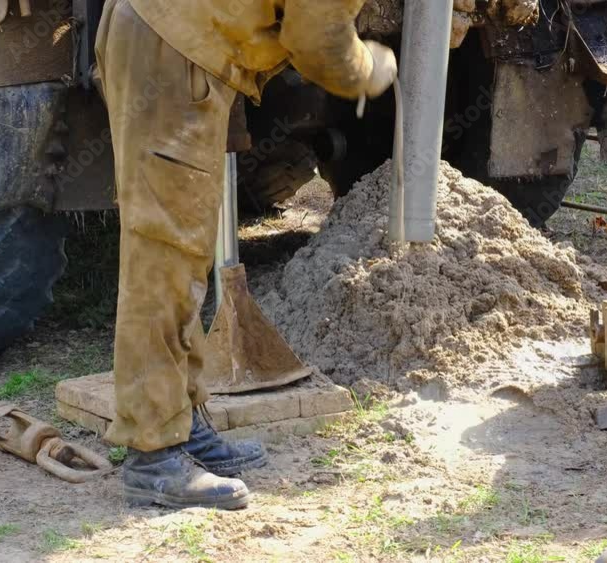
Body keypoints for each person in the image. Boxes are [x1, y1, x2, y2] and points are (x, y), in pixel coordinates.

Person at [94, 0, 398, 510]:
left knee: (185, 249)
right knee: (163, 252)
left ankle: (182, 423)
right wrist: (368, 67)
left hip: (173, 39)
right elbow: (317, 38)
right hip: (172, 47)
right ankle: (153, 455)